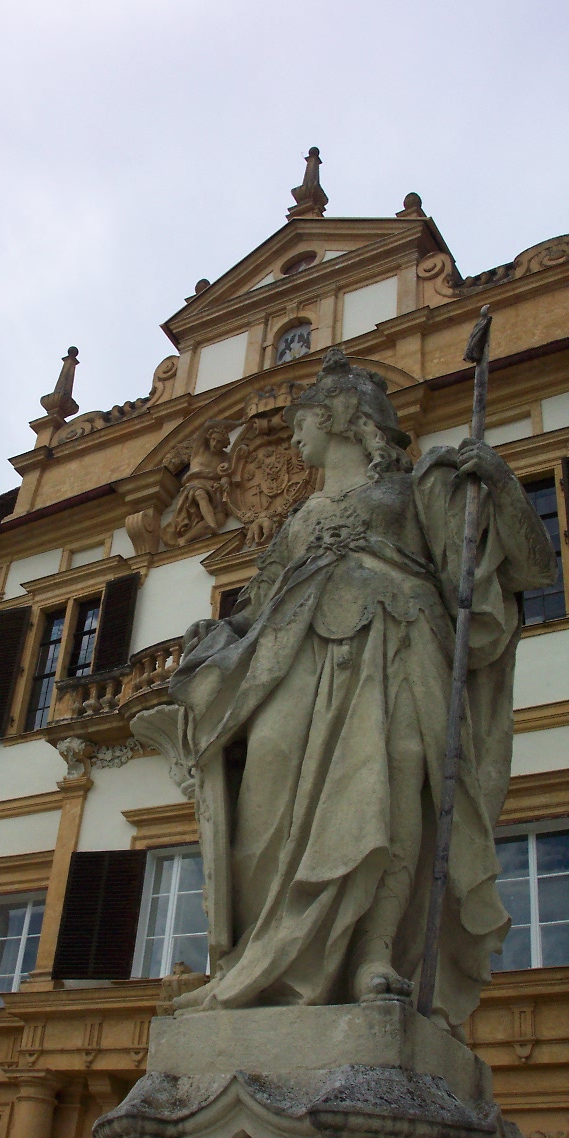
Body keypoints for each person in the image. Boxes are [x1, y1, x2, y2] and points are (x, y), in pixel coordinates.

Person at [169, 349, 556, 1032]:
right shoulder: (298, 520)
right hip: (292, 661)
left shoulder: (419, 488)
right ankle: (259, 962)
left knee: (391, 790)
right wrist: (215, 632)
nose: (294, 435)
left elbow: (532, 568)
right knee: (265, 798)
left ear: (338, 417)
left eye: (303, 419)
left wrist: (497, 482)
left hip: (399, 642)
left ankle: (375, 955)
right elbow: (253, 609)